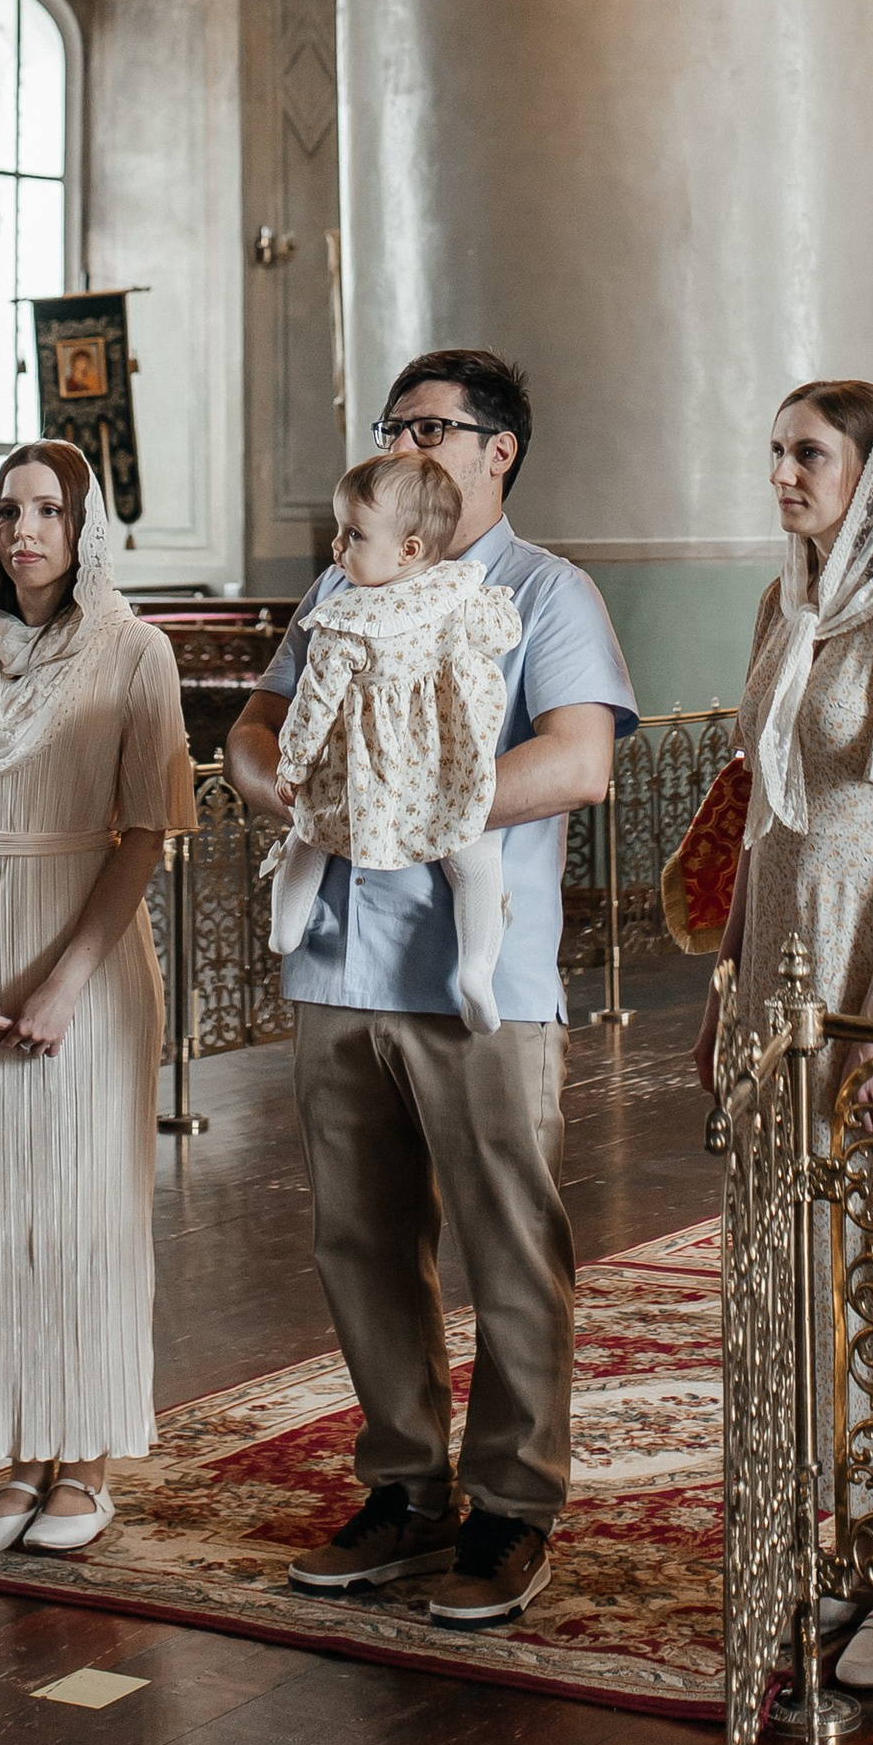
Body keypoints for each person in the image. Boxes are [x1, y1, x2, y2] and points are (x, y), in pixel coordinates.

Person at [225, 349, 635, 1630]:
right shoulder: (343, 578)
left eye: (430, 426)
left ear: (496, 449)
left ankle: (514, 1506)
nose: (405, 442)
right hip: (341, 961)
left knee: (508, 1241)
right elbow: (256, 726)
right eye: (392, 423)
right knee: (358, 1238)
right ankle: (404, 1489)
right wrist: (275, 785)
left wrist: (406, 815)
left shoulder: (545, 591)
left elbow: (575, 764)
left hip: (478, 981)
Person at [690, 380, 873, 1693]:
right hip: (775, 975)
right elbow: (763, 805)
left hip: (872, 979)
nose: (782, 475)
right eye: (773, 453)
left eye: (807, 454)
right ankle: (834, 1547)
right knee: (790, 1267)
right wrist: (727, 977)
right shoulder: (782, 605)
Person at [0, 440, 190, 1561]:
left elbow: (147, 834)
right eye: (9, 510)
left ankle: (89, 1460)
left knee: (83, 1213)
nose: (26, 530)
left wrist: (66, 981)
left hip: (87, 955)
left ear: (84, 528)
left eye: (49, 511)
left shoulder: (135, 654)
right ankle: (16, 1455)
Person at [267, 450, 523, 1032]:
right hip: (440, 765)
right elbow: (500, 634)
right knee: (475, 856)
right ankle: (476, 967)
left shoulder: (345, 619)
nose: (337, 547)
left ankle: (287, 923)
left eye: (352, 534)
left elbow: (312, 706)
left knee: (312, 825)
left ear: (407, 549)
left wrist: (293, 763)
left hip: (367, 770)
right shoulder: (457, 592)